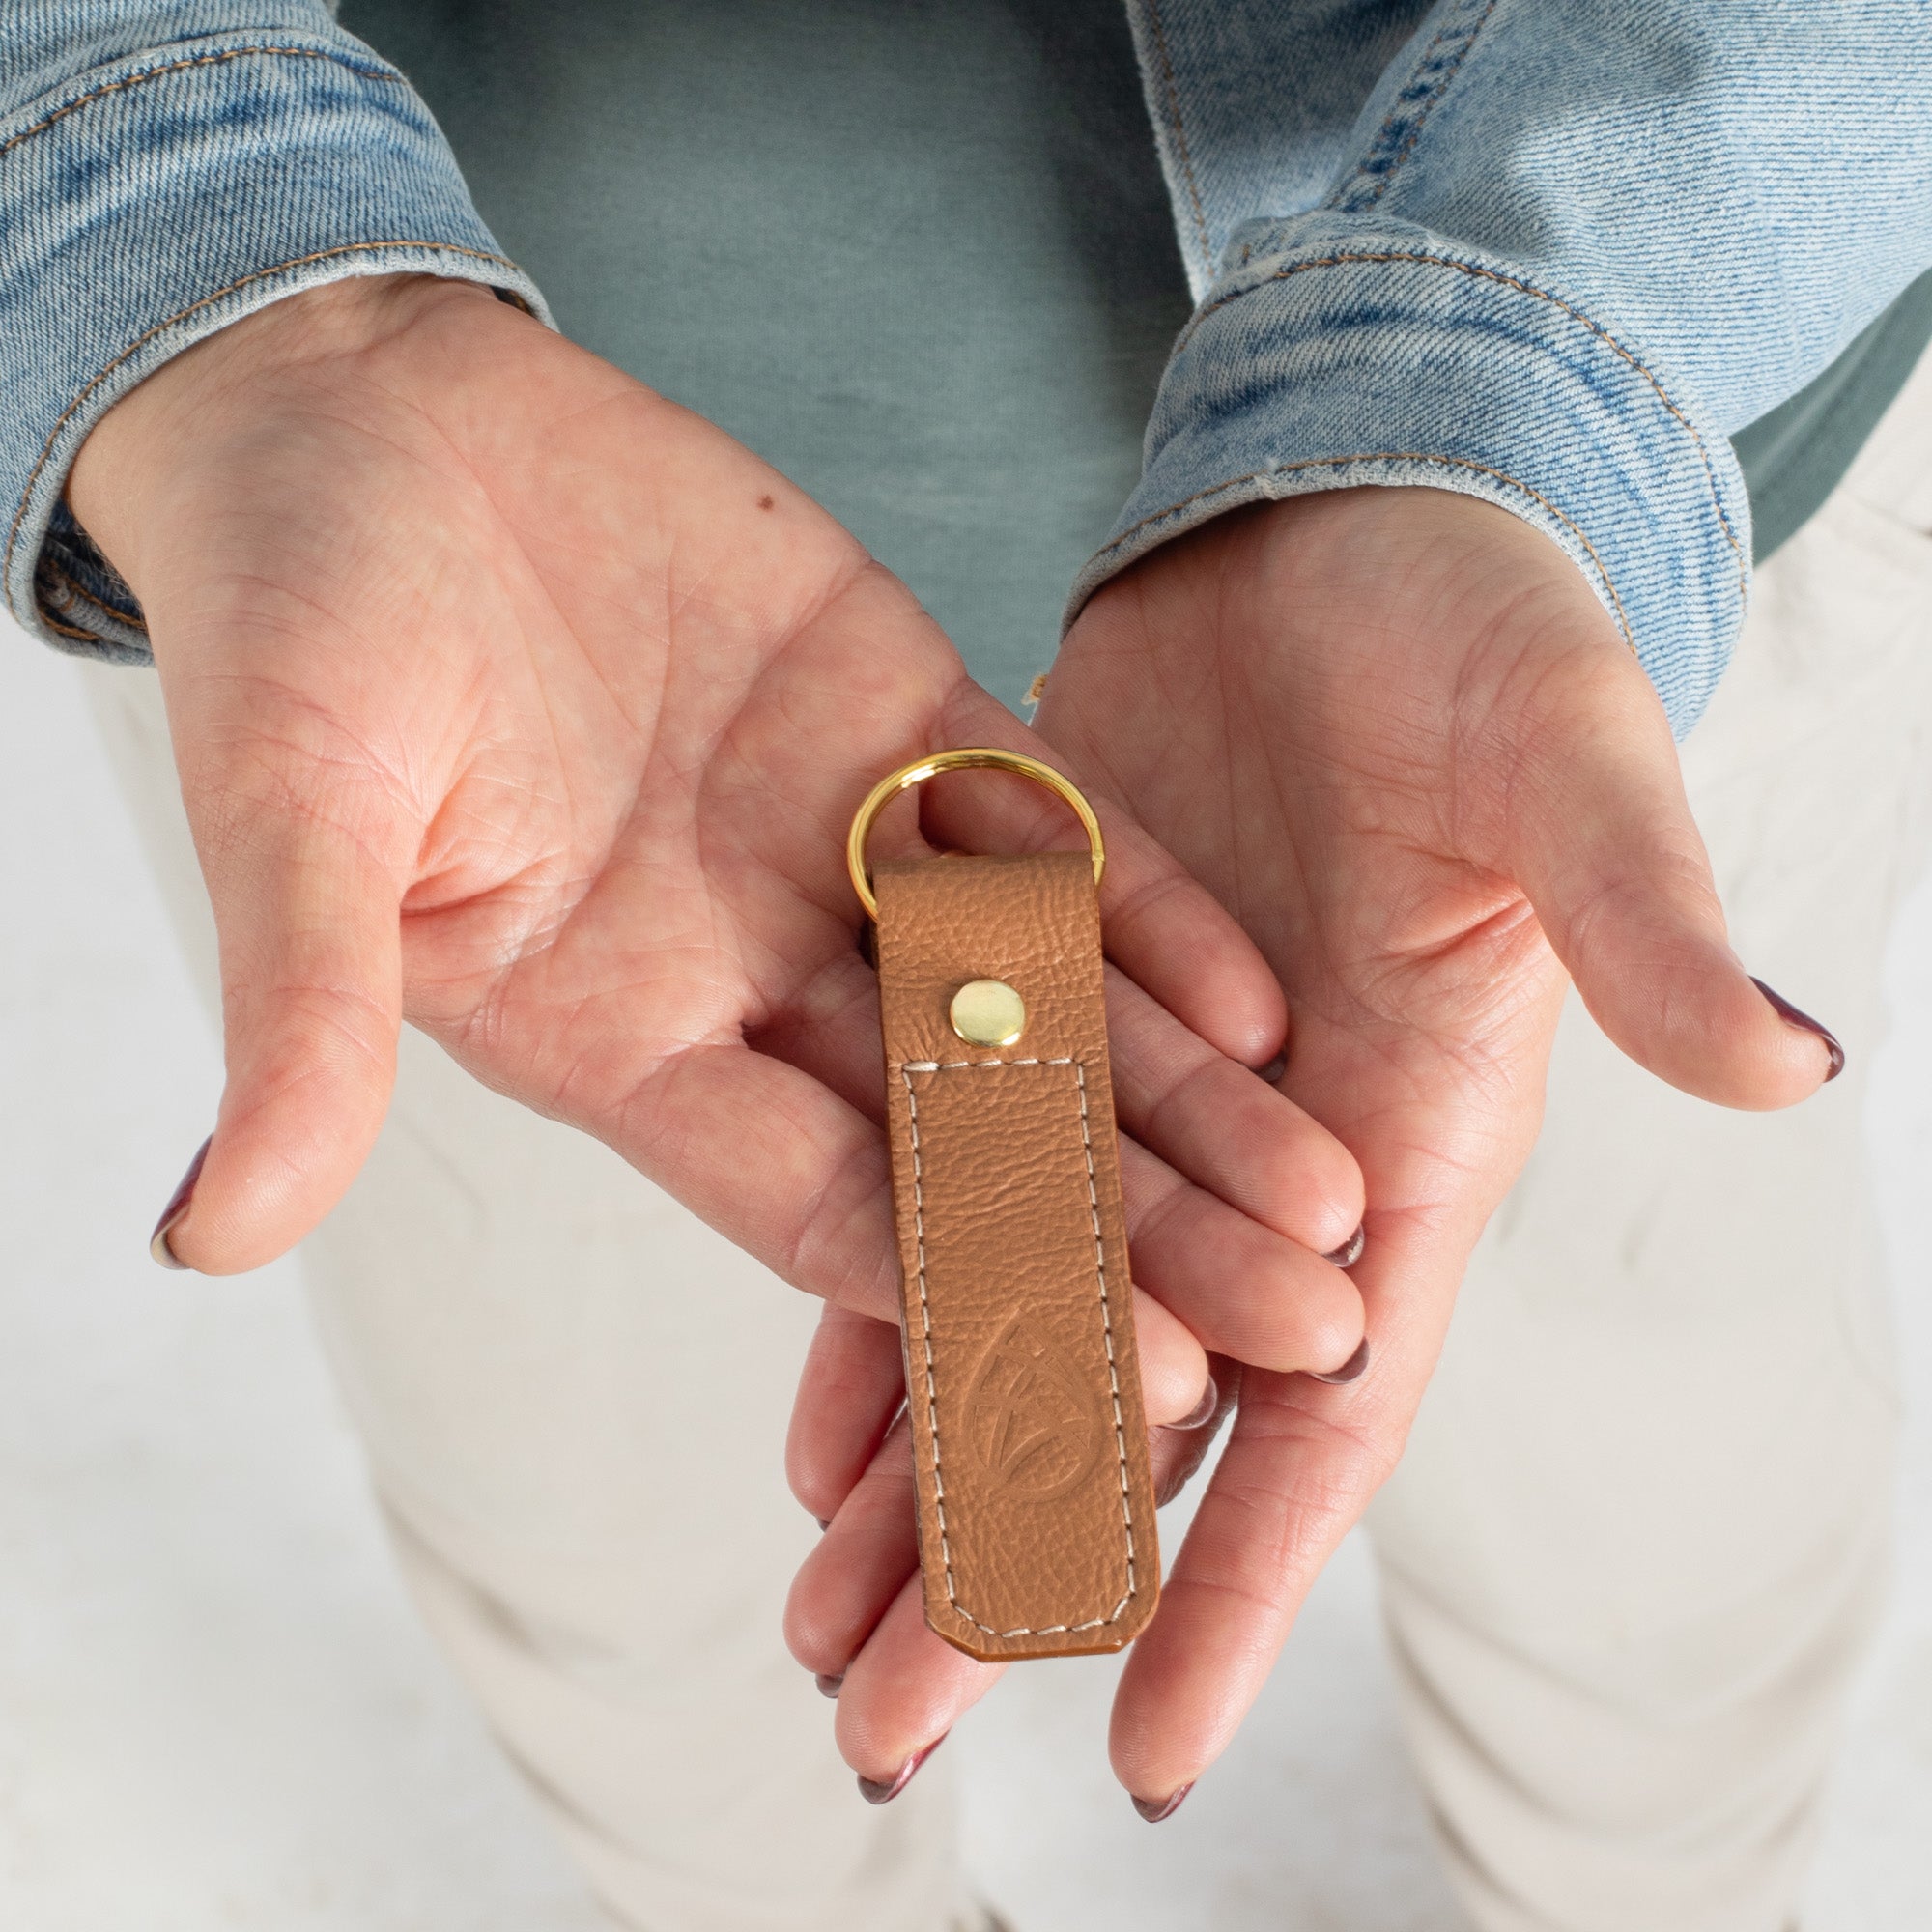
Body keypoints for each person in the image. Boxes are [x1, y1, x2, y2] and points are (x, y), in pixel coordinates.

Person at [4, 3, 1929, 1930]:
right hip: (462, 631)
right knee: (600, 1504)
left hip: (1616, 495)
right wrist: (175, 231)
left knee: (1651, 1434)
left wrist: (1530, 372)